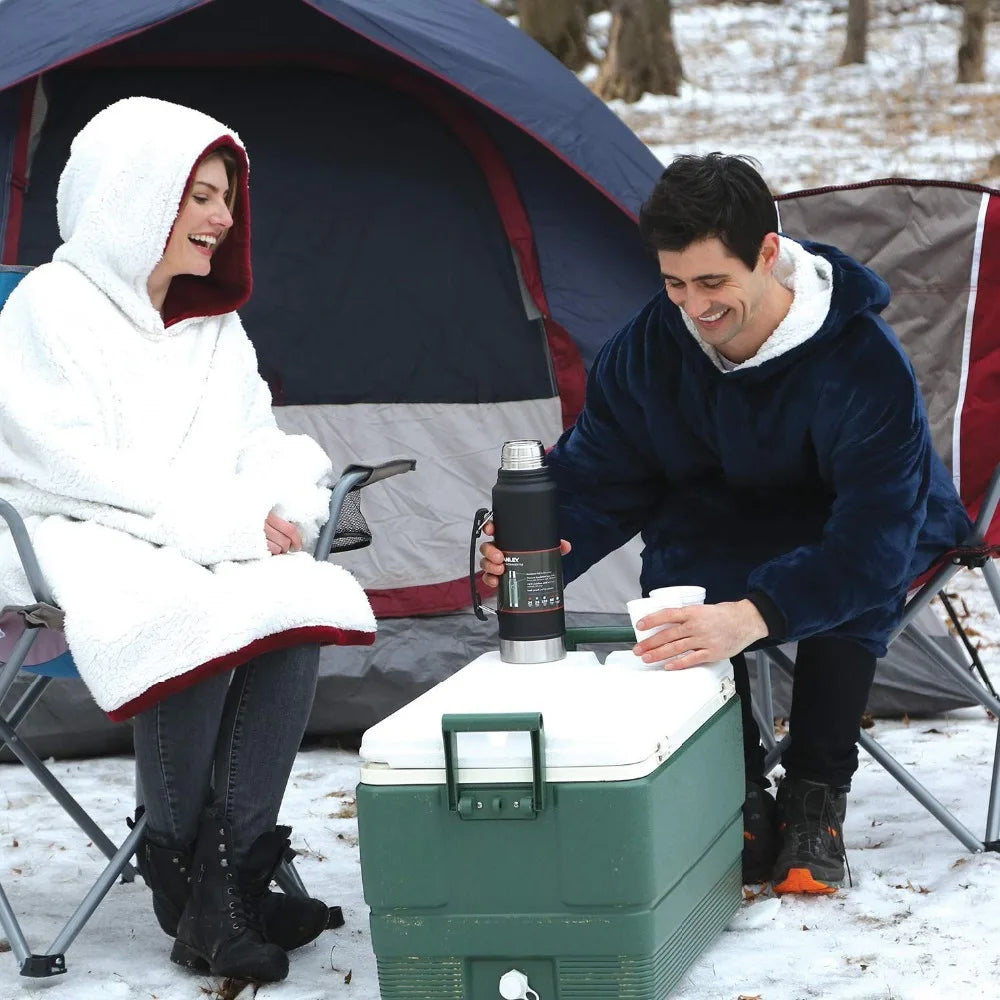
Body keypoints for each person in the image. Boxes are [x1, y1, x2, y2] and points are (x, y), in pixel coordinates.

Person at [480, 153, 971, 895]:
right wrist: (536, 552)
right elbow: (602, 473)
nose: (694, 306)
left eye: (713, 283)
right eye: (675, 283)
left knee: (849, 586)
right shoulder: (651, 347)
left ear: (768, 254)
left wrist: (756, 613)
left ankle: (814, 798)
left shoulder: (861, 359)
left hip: (867, 521)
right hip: (725, 515)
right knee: (677, 575)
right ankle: (736, 794)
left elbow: (876, 537)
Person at [0, 97, 378, 981]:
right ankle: (177, 864)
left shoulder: (213, 325)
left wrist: (284, 497)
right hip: (64, 540)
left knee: (296, 591)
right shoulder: (48, 309)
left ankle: (230, 875)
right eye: (199, 195)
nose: (223, 218)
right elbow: (62, 466)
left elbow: (255, 439)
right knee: (180, 597)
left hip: (186, 538)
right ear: (136, 197)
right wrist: (216, 526)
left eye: (227, 198)